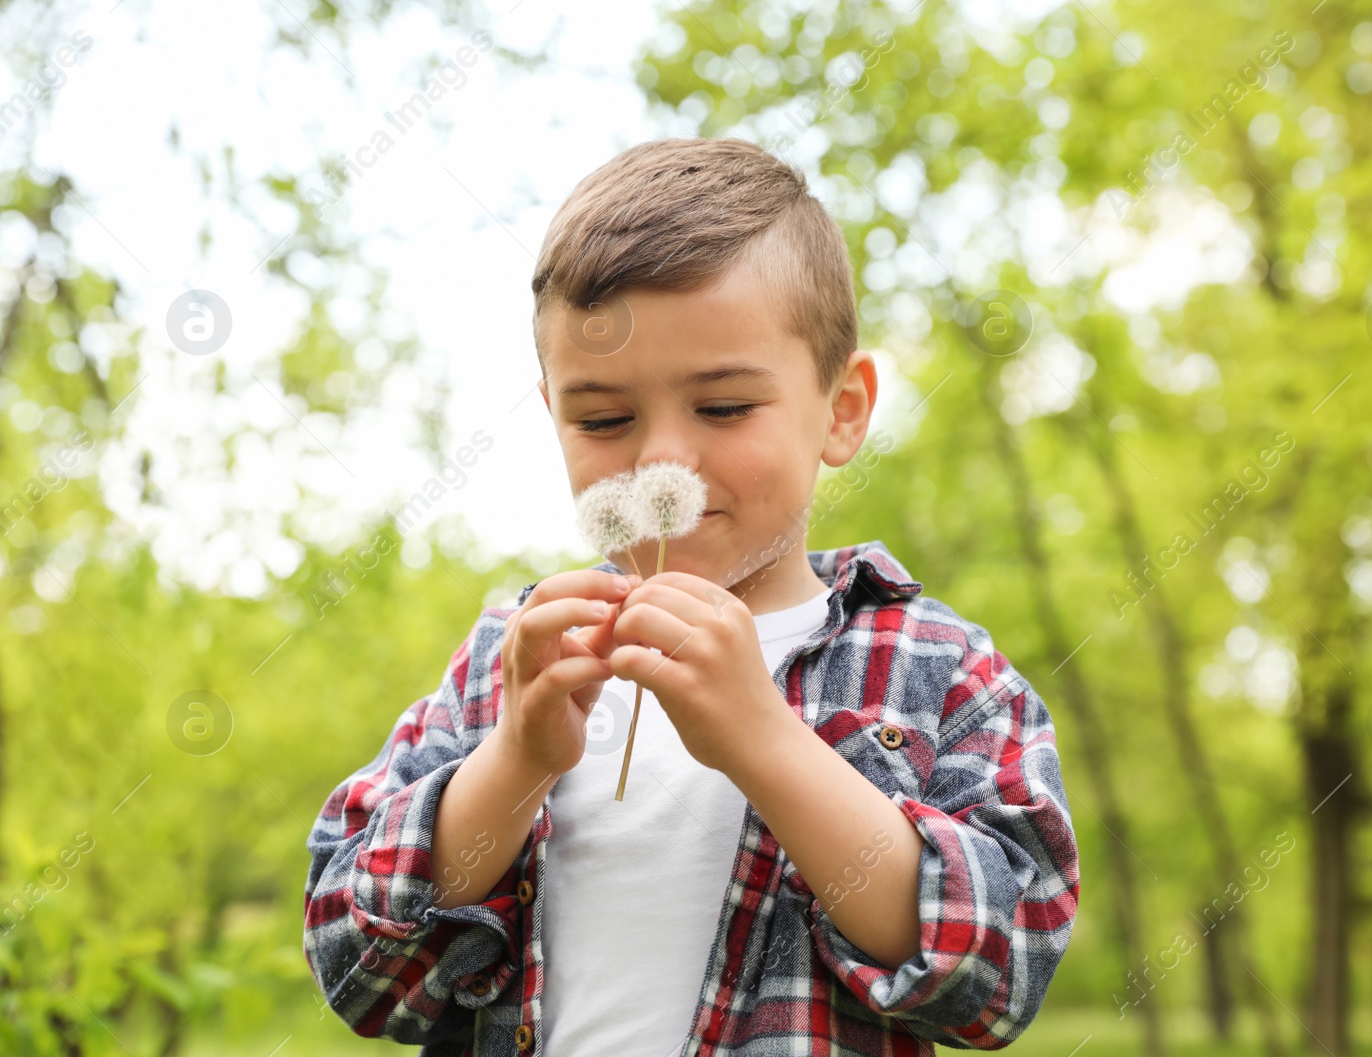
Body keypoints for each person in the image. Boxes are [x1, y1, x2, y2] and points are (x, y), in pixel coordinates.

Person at [303, 136, 1079, 1056]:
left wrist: (762, 740)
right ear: (553, 413)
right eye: (603, 419)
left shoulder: (936, 669)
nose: (662, 457)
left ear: (842, 409)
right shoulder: (515, 656)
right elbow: (358, 967)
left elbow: (999, 973)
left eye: (723, 407)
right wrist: (514, 759)